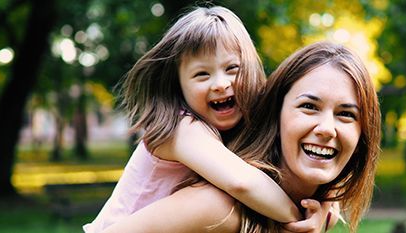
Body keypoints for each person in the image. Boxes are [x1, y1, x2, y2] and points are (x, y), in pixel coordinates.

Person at [102, 42, 381, 233]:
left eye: (346, 114)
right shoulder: (218, 207)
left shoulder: (315, 211)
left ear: (362, 136)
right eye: (309, 106)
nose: (327, 129)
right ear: (276, 112)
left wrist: (325, 209)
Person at [84, 6, 305, 232]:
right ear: (178, 85)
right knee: (221, 203)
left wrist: (324, 206)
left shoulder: (236, 128)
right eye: (202, 74)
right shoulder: (179, 128)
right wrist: (298, 219)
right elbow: (242, 183)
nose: (220, 84)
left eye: (232, 68)